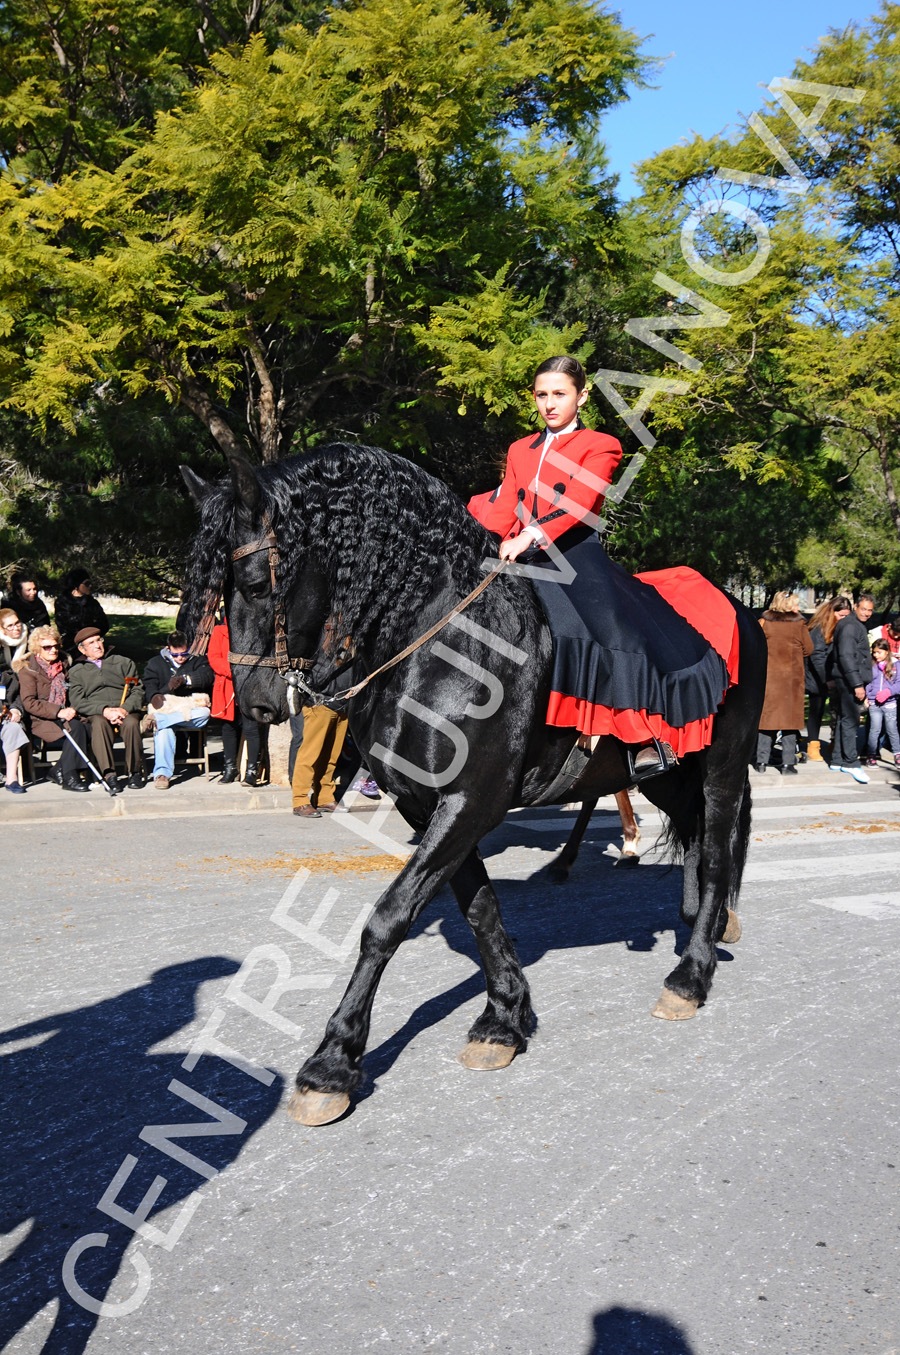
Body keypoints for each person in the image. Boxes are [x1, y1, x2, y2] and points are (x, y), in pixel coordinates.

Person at [472, 355, 738, 774]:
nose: (550, 404)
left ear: (582, 395)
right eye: (542, 395)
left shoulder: (601, 444)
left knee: (610, 626)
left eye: (560, 394)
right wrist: (468, 535)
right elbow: (505, 504)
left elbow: (578, 503)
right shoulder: (520, 449)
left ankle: (643, 737)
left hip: (575, 554)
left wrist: (531, 534)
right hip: (519, 553)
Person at [68, 627, 145, 791]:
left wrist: (124, 709)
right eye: (91, 643)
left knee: (131, 724)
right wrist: (104, 710)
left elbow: (138, 690)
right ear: (82, 649)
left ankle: (135, 772)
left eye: (99, 640)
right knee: (99, 724)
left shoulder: (123, 662)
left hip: (125, 709)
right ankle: (109, 775)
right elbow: (77, 701)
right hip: (98, 713)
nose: (97, 645)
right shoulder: (77, 671)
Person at [16, 625, 91, 792]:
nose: (53, 650)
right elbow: (29, 702)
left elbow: (72, 691)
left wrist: (71, 708)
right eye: (47, 647)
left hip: (65, 713)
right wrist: (57, 711)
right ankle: (70, 777)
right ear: (37, 649)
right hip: (40, 719)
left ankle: (58, 769)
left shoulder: (64, 665)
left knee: (89, 727)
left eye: (56, 645)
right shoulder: (28, 670)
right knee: (77, 728)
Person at [143, 630, 214, 790]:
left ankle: (159, 721)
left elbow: (207, 676)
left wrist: (186, 680)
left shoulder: (198, 660)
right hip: (167, 707)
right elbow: (149, 686)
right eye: (175, 655)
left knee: (204, 713)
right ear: (168, 649)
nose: (180, 658)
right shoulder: (155, 663)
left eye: (184, 653)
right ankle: (162, 774)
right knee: (164, 731)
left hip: (190, 709)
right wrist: (158, 693)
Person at [755, 592, 814, 775]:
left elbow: (755, 647)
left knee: (767, 723)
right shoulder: (799, 624)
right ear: (788, 606)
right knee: (790, 723)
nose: (798, 608)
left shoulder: (764, 623)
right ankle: (788, 764)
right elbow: (809, 649)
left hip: (769, 680)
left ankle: (761, 761)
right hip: (791, 682)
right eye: (796, 604)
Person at [207, 615, 261, 784]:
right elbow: (214, 657)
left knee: (251, 727)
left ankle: (252, 770)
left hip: (249, 685)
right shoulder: (219, 631)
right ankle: (230, 769)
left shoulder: (253, 629)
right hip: (227, 685)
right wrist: (234, 673)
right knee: (228, 728)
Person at [830, 593, 875, 783]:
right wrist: (857, 684)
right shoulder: (850, 626)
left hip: (846, 678)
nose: (866, 613)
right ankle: (850, 762)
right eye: (863, 609)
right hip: (849, 680)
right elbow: (846, 656)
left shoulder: (853, 624)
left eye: (870, 610)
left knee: (843, 718)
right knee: (851, 720)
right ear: (856, 606)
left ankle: (838, 759)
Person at [804, 596, 851, 762]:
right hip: (817, 676)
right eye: (841, 615)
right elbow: (817, 655)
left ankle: (834, 743)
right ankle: (813, 744)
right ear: (833, 612)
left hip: (833, 674)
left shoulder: (842, 627)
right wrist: (826, 678)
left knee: (836, 710)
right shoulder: (819, 628)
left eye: (847, 615)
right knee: (816, 710)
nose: (845, 619)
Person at [292, 707, 349, 817]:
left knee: (330, 757)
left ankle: (325, 798)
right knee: (309, 756)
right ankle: (300, 801)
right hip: (320, 703)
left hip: (342, 705)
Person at [0, 611, 30, 792]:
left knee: (13, 728)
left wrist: (17, 710)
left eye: (16, 623)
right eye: (9, 626)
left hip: (6, 713)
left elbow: (16, 694)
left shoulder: (7, 675)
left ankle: (11, 780)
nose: (15, 628)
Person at [53, 569, 109, 653]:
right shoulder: (62, 603)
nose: (90, 586)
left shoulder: (92, 603)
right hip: (71, 646)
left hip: (93, 642)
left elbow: (104, 624)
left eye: (90, 583)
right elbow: (64, 626)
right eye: (86, 584)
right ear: (76, 585)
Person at [864, 639, 900, 766]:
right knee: (875, 729)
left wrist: (889, 692)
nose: (876, 655)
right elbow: (868, 682)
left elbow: (899, 684)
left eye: (879, 652)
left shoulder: (896, 665)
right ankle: (871, 754)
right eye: (874, 652)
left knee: (892, 729)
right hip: (875, 703)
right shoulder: (872, 665)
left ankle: (897, 754)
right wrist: (867, 696)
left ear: (886, 652)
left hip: (890, 703)